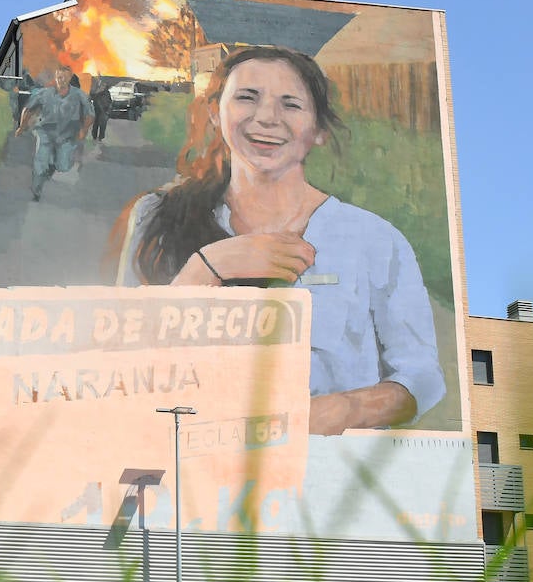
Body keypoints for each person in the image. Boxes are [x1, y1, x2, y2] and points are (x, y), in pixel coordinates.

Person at [116, 45, 444, 434]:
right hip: (190, 467)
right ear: (213, 113)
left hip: (323, 474)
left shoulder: (374, 239)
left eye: (291, 105)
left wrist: (341, 410)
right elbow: (120, 355)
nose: (267, 118)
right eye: (246, 98)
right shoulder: (156, 215)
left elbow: (421, 375)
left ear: (320, 130)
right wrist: (205, 266)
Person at [16, 68, 93, 200]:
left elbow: (90, 114)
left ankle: (52, 166)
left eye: (63, 77)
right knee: (40, 162)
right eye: (58, 77)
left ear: (69, 79)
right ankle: (36, 190)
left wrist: (84, 130)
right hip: (45, 132)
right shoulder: (45, 93)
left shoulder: (79, 95)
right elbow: (28, 109)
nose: (60, 80)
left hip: (67, 136)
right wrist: (22, 126)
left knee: (63, 166)